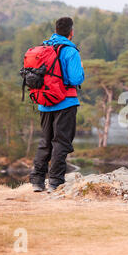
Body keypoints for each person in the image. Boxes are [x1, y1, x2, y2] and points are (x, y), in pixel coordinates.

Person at [30, 17, 85, 193]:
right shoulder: (70, 50)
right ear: (71, 32)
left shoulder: (44, 48)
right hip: (65, 102)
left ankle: (37, 181)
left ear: (55, 29)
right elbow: (76, 78)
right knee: (61, 142)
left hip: (44, 102)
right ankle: (55, 182)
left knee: (45, 141)